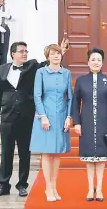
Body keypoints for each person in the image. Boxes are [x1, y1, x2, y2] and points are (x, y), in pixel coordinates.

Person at [0, 39, 69, 197]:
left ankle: (22, 185)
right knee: (6, 152)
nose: (25, 53)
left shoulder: (32, 66)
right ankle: (3, 184)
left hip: (26, 116)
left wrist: (60, 51)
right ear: (13, 54)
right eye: (22, 51)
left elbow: (47, 61)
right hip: (8, 116)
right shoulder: (1, 70)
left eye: (26, 51)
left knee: (25, 153)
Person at [71, 48, 107, 202]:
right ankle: (91, 188)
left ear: (102, 62)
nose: (96, 62)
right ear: (88, 62)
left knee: (102, 159)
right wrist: (76, 122)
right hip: (86, 123)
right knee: (89, 158)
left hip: (104, 123)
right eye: (93, 59)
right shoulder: (81, 80)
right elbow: (75, 102)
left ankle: (100, 188)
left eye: (98, 60)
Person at [29, 44, 73, 202]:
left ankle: (54, 185)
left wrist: (69, 117)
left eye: (58, 54)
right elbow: (37, 96)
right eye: (53, 54)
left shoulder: (66, 73)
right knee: (47, 152)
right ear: (47, 56)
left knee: (57, 153)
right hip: (45, 116)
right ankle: (48, 187)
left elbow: (70, 97)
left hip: (61, 116)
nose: (56, 56)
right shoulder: (41, 72)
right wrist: (43, 116)